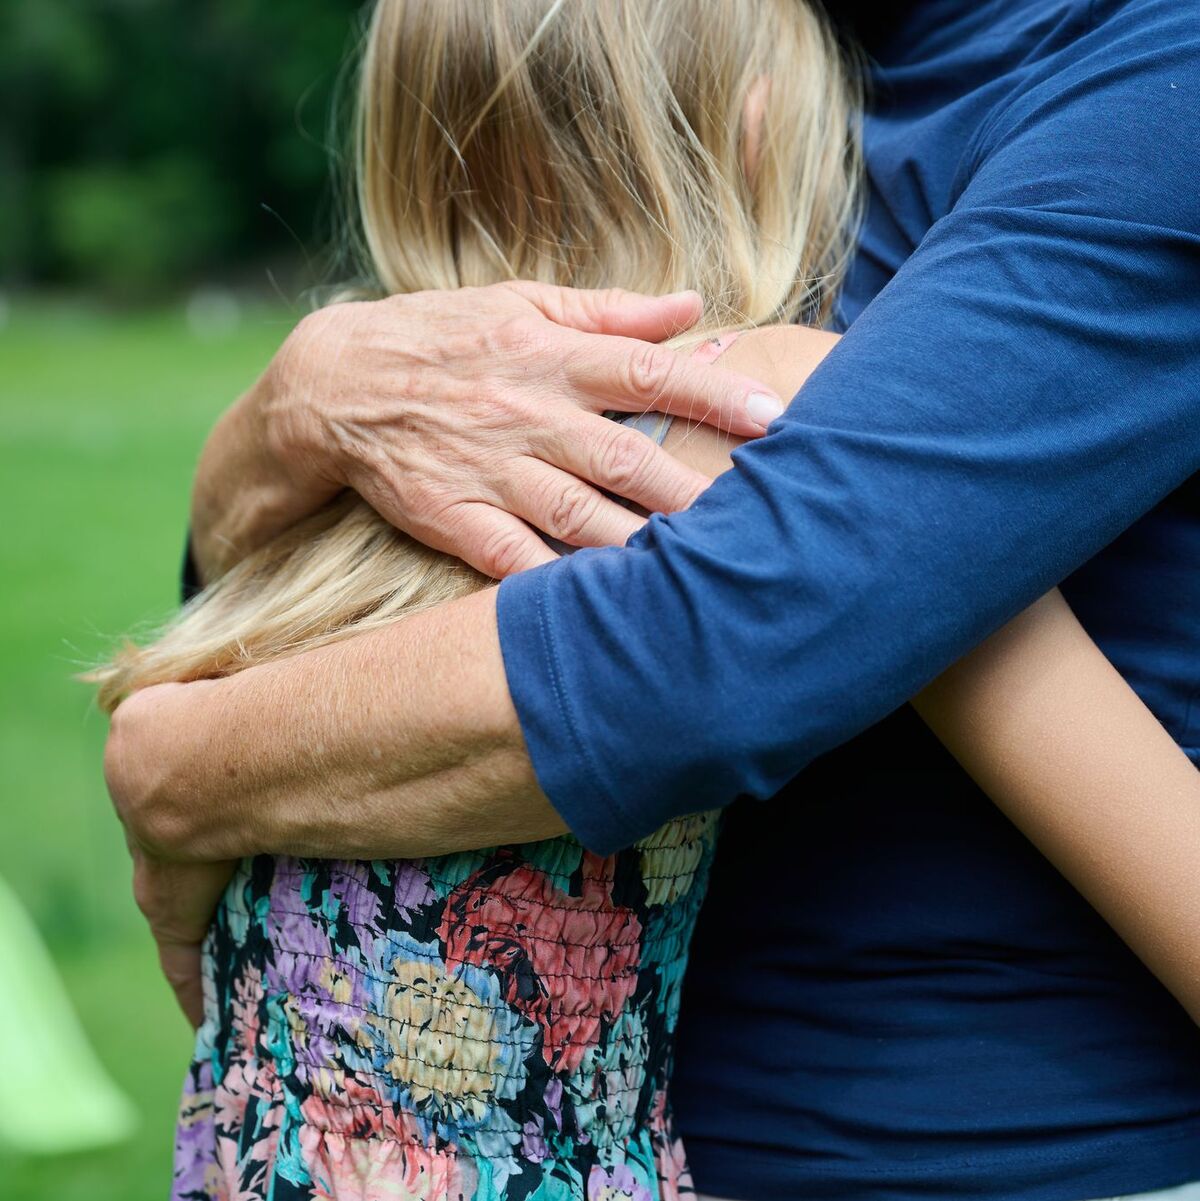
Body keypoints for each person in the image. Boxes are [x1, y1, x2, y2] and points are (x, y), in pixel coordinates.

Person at [102, 0, 1200, 1199]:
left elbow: (710, 649)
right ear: (760, 131)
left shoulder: (1146, 81)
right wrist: (292, 413)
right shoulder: (431, 421)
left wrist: (182, 758)